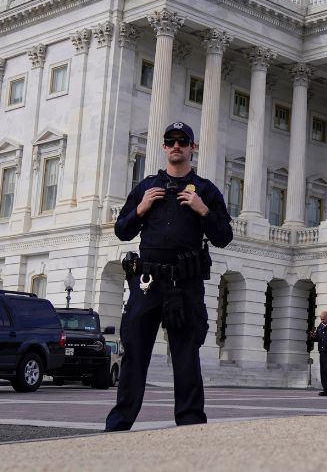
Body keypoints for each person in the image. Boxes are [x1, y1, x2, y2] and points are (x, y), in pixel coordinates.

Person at [105, 122, 233, 431]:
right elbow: (122, 231)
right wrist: (141, 209)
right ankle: (120, 422)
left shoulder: (205, 190)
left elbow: (224, 236)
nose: (176, 145)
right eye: (170, 141)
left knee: (186, 354)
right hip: (147, 282)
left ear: (193, 147)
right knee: (135, 351)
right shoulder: (148, 187)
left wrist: (204, 211)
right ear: (164, 147)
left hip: (184, 285)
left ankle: (190, 423)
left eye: (182, 140)